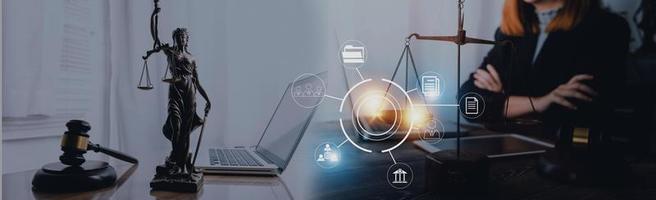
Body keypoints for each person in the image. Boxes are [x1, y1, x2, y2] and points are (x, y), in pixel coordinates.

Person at [459, 0, 630, 127]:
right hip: (511, 147)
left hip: (566, 157)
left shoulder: (607, 27)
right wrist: (541, 102)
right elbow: (468, 101)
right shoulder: (509, 33)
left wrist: (503, 100)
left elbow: (576, 107)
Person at [157, 28, 211, 176]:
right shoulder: (170, 53)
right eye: (178, 36)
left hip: (190, 94)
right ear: (174, 38)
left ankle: (182, 165)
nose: (181, 38)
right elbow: (155, 36)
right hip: (175, 93)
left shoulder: (192, 58)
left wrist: (207, 99)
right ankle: (175, 159)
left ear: (187, 40)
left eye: (184, 36)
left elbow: (197, 82)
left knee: (185, 133)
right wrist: (154, 14)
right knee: (176, 127)